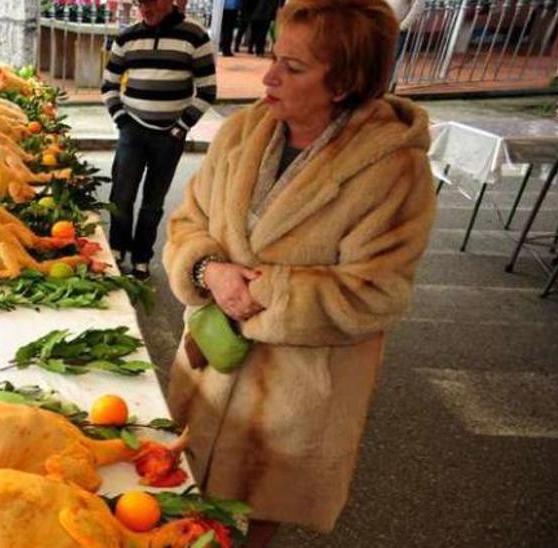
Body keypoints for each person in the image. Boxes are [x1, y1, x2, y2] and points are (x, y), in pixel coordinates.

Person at [160, 1, 435, 545]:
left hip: (295, 397)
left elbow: (377, 292)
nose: (269, 76)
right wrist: (209, 269)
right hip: (208, 370)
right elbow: (189, 222)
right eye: (273, 57)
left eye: (295, 66)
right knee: (175, 506)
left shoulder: (392, 169)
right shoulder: (242, 134)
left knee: (252, 521)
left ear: (344, 82)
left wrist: (264, 295)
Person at [101, 0, 216, 280]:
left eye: (151, 2)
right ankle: (117, 249)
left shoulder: (195, 35)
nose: (145, 10)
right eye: (140, 3)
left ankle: (142, 257)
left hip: (170, 135)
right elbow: (108, 85)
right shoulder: (127, 37)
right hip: (132, 131)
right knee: (122, 194)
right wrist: (121, 119)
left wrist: (181, 126)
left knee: (154, 200)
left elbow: (207, 90)